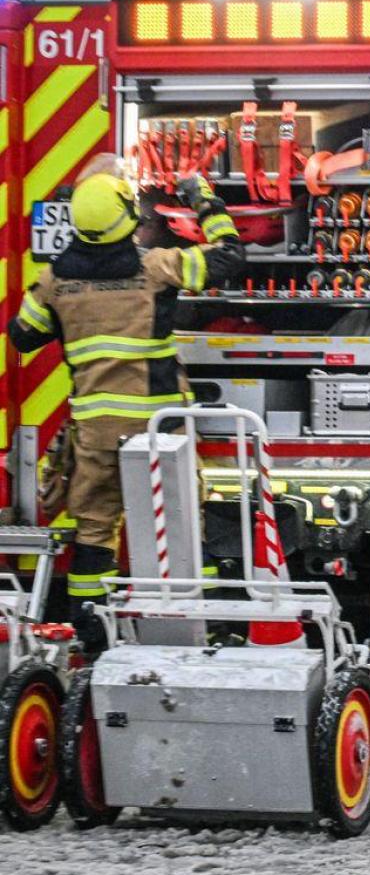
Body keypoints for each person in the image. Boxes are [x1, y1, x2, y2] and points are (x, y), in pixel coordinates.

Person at [7, 168, 243, 649]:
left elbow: (23, 336)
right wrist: (204, 199)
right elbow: (228, 258)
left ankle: (94, 639)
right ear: (129, 216)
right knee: (182, 523)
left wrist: (65, 278)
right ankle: (204, 631)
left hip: (95, 433)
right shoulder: (155, 268)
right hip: (158, 431)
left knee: (94, 531)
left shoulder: (55, 282)